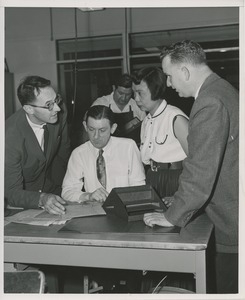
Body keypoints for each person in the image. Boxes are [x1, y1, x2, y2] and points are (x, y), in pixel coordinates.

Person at [144, 40, 239, 294]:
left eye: (169, 76)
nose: (169, 84)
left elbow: (200, 172)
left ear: (185, 71)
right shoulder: (222, 90)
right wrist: (177, 198)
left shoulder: (209, 102)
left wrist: (170, 216)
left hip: (230, 226)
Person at [5, 75, 71, 215]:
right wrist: (41, 198)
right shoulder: (8, 136)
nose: (57, 108)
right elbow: (11, 192)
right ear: (29, 109)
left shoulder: (59, 112)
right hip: (24, 200)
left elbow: (63, 154)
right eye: (49, 105)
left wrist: (64, 188)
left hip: (54, 188)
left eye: (56, 100)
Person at [62, 105, 145, 203]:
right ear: (85, 126)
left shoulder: (128, 147)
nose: (96, 136)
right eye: (91, 129)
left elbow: (140, 188)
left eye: (102, 130)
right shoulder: (78, 154)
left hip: (125, 208)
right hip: (94, 212)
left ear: (113, 128)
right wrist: (88, 196)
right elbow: (67, 191)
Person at [132, 66, 189, 198]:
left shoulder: (175, 118)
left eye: (140, 93)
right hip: (153, 178)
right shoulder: (146, 121)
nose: (136, 98)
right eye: (134, 93)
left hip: (176, 180)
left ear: (156, 91)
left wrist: (181, 196)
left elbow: (198, 163)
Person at [90, 73, 146, 144]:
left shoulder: (137, 106)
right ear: (114, 88)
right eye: (121, 93)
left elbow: (145, 133)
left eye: (128, 94)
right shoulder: (100, 103)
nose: (124, 98)